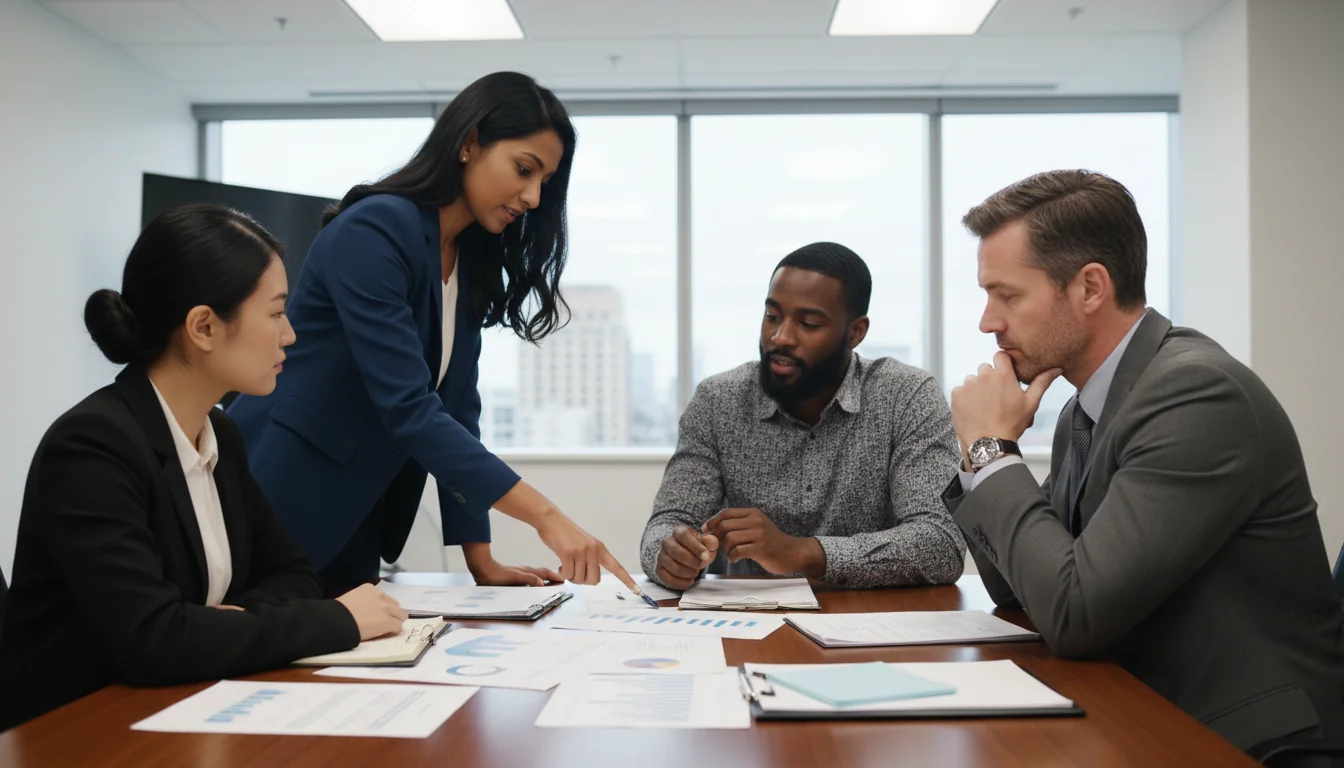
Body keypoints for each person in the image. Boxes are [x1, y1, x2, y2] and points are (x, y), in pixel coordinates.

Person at [945, 169, 1344, 753]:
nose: (988, 322)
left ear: (1090, 287)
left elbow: (1075, 613)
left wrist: (992, 452)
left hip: (1244, 739)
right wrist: (979, 455)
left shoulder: (1196, 396)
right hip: (1140, 706)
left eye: (1008, 296)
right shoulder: (1084, 410)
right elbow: (1019, 588)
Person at [227, 72, 638, 597]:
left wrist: (480, 558)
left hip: (357, 514)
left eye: (545, 181)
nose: (534, 196)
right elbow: (408, 407)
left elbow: (457, 409)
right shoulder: (375, 230)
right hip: (284, 489)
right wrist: (546, 516)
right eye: (524, 169)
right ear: (469, 143)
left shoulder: (468, 256)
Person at [0, 205, 408, 732]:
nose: (290, 334)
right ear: (204, 327)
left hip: (181, 707)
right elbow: (154, 641)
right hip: (78, 730)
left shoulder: (220, 434)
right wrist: (338, 620)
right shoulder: (91, 448)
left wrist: (213, 628)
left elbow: (294, 574)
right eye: (276, 313)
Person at [641, 242, 966, 590]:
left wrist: (801, 553)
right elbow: (666, 525)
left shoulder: (906, 396)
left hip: (872, 617)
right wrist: (670, 556)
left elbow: (941, 545)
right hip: (747, 617)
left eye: (808, 323)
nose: (780, 337)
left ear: (855, 332)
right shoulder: (717, 401)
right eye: (772, 316)